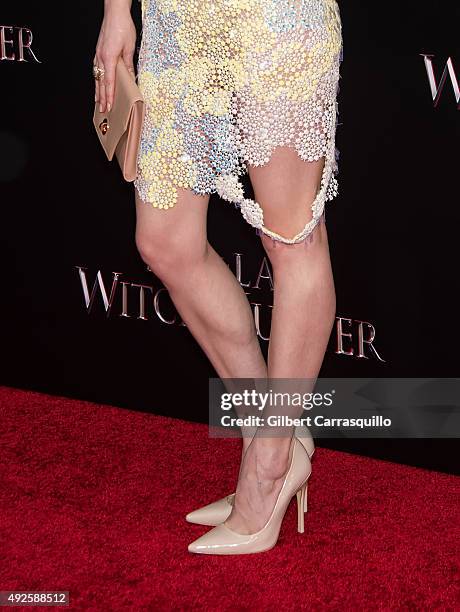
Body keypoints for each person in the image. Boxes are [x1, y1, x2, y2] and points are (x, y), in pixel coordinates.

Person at [94, 0, 343, 555]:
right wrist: (116, 13)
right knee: (164, 240)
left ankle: (270, 461)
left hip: (274, 19)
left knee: (293, 239)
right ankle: (271, 432)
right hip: (175, 21)